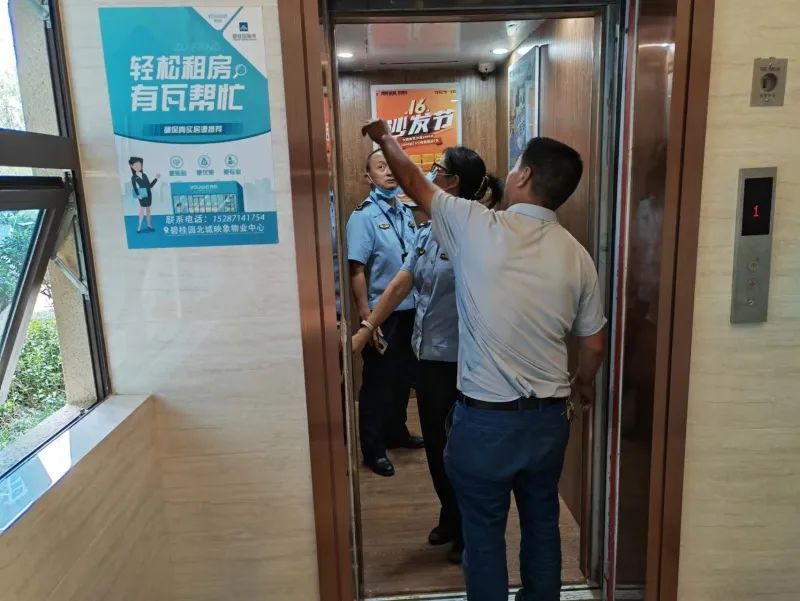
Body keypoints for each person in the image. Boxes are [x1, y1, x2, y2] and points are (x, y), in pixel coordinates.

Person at [360, 121, 607, 601]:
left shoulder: (478, 226)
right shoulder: (577, 256)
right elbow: (594, 345)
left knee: (485, 536)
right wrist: (583, 384)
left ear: (525, 175)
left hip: (486, 423)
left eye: (515, 166)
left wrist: (385, 138)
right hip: (548, 421)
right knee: (542, 525)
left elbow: (413, 181)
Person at [352, 146, 503, 565]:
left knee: (464, 453)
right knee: (438, 447)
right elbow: (401, 283)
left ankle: (468, 528)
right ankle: (450, 515)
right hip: (429, 358)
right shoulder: (428, 229)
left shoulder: (478, 231)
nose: (431, 175)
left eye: (438, 169)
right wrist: (366, 329)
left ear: (452, 183)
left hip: (465, 360)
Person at [347, 149, 424, 477]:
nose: (389, 172)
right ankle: (373, 448)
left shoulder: (405, 211)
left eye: (392, 166)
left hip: (410, 309)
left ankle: (396, 432)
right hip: (382, 314)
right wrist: (368, 319)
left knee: (403, 378)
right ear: (368, 176)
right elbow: (357, 270)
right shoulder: (363, 217)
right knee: (378, 383)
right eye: (381, 167)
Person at [129, 156, 159, 233]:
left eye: (140, 165)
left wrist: (156, 178)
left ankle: (149, 225)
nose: (138, 166)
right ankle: (139, 227)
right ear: (132, 166)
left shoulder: (144, 175)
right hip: (142, 192)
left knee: (148, 209)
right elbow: (134, 187)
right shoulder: (133, 177)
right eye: (136, 165)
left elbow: (150, 186)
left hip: (149, 193)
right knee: (142, 210)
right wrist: (138, 195)